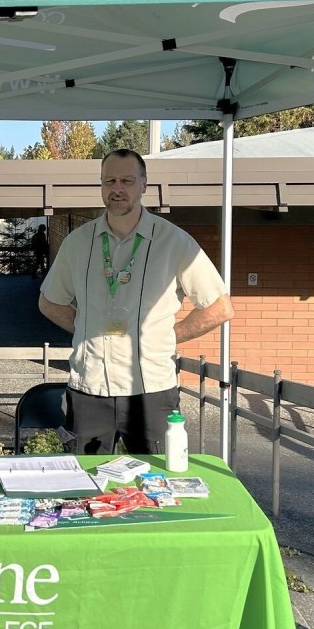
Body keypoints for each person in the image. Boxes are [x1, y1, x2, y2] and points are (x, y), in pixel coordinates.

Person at [38, 148, 233, 455]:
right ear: (101, 186)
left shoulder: (174, 241)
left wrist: (169, 336)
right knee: (86, 491)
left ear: (144, 184)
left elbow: (219, 307)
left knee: (159, 490)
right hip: (90, 391)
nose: (118, 188)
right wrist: (88, 328)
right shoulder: (78, 242)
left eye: (127, 180)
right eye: (110, 180)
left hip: (152, 392)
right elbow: (49, 302)